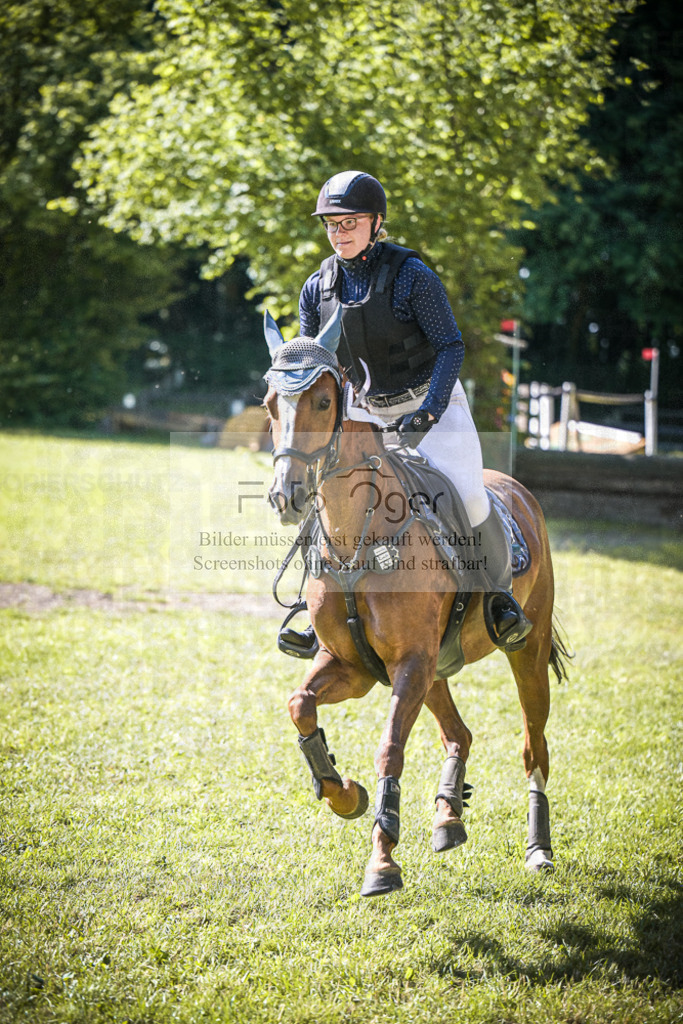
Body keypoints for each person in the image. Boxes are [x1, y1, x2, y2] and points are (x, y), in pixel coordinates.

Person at [280, 170, 531, 656]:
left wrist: (430, 411)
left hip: (431, 404)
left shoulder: (412, 276)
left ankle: (499, 600)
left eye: (350, 222)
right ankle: (313, 611)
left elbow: (450, 346)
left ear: (377, 223)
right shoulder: (317, 288)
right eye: (332, 223)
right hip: (365, 413)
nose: (339, 232)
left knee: (467, 496)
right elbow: (314, 364)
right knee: (326, 499)